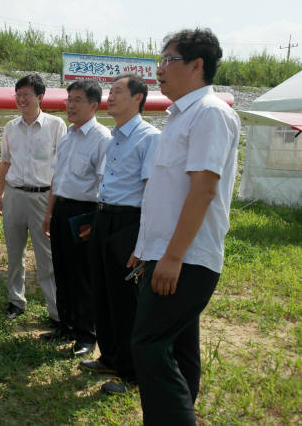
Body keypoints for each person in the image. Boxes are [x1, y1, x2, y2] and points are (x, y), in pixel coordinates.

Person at [128, 28, 240, 425]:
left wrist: (172, 257)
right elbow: (166, 193)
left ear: (196, 66)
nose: (159, 70)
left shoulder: (210, 114)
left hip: (186, 257)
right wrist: (145, 248)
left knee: (148, 345)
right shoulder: (180, 117)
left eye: (168, 60)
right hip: (167, 253)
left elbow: (203, 191)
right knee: (177, 348)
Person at [80, 74, 160, 393]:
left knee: (126, 300)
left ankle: (131, 373)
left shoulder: (149, 138)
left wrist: (142, 244)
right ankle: (109, 356)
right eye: (109, 92)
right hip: (104, 219)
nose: (109, 97)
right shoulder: (114, 136)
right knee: (102, 292)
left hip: (129, 222)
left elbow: (151, 194)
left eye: (117, 92)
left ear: (138, 98)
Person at [39, 79, 111, 357]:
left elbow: (105, 184)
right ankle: (65, 325)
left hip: (85, 211)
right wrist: (49, 213)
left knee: (83, 275)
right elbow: (58, 178)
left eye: (77, 100)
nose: (70, 105)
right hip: (61, 210)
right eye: (69, 99)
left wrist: (95, 222)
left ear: (94, 105)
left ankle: (86, 334)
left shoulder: (102, 139)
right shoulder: (67, 136)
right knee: (63, 269)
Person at [0, 74, 66, 322]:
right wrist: (1, 193)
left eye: (26, 94)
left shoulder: (56, 126)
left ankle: (56, 311)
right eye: (18, 94)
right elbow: (5, 162)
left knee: (46, 257)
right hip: (14, 194)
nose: (21, 99)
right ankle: (16, 301)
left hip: (42, 197)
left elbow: (60, 169)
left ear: (40, 97)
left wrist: (52, 207)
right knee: (15, 254)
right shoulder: (11, 128)